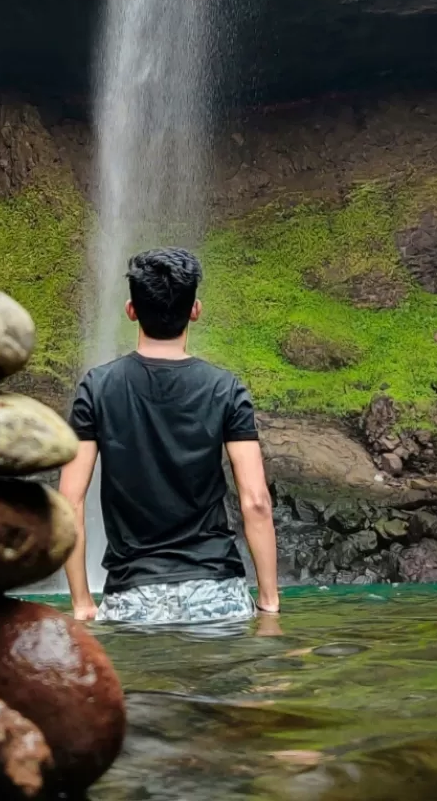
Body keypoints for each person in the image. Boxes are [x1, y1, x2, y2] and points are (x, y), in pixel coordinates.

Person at [59, 247, 280, 626]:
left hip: (132, 596)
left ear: (131, 310)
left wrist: (81, 601)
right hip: (217, 592)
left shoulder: (97, 388)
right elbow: (256, 502)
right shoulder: (225, 389)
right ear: (195, 310)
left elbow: (69, 502)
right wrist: (269, 601)